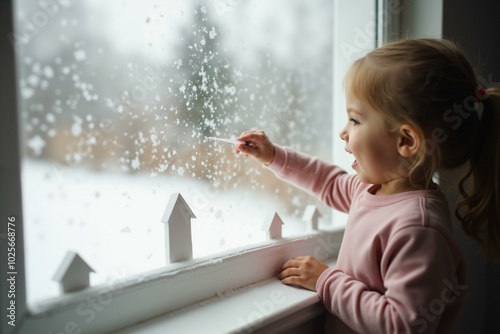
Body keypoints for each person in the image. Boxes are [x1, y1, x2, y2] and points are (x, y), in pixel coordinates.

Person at [234, 38, 500, 333]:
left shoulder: (418, 229)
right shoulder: (371, 190)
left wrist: (326, 281)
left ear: (405, 141)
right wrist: (274, 156)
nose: (343, 132)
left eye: (355, 120)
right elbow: (327, 181)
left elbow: (400, 325)